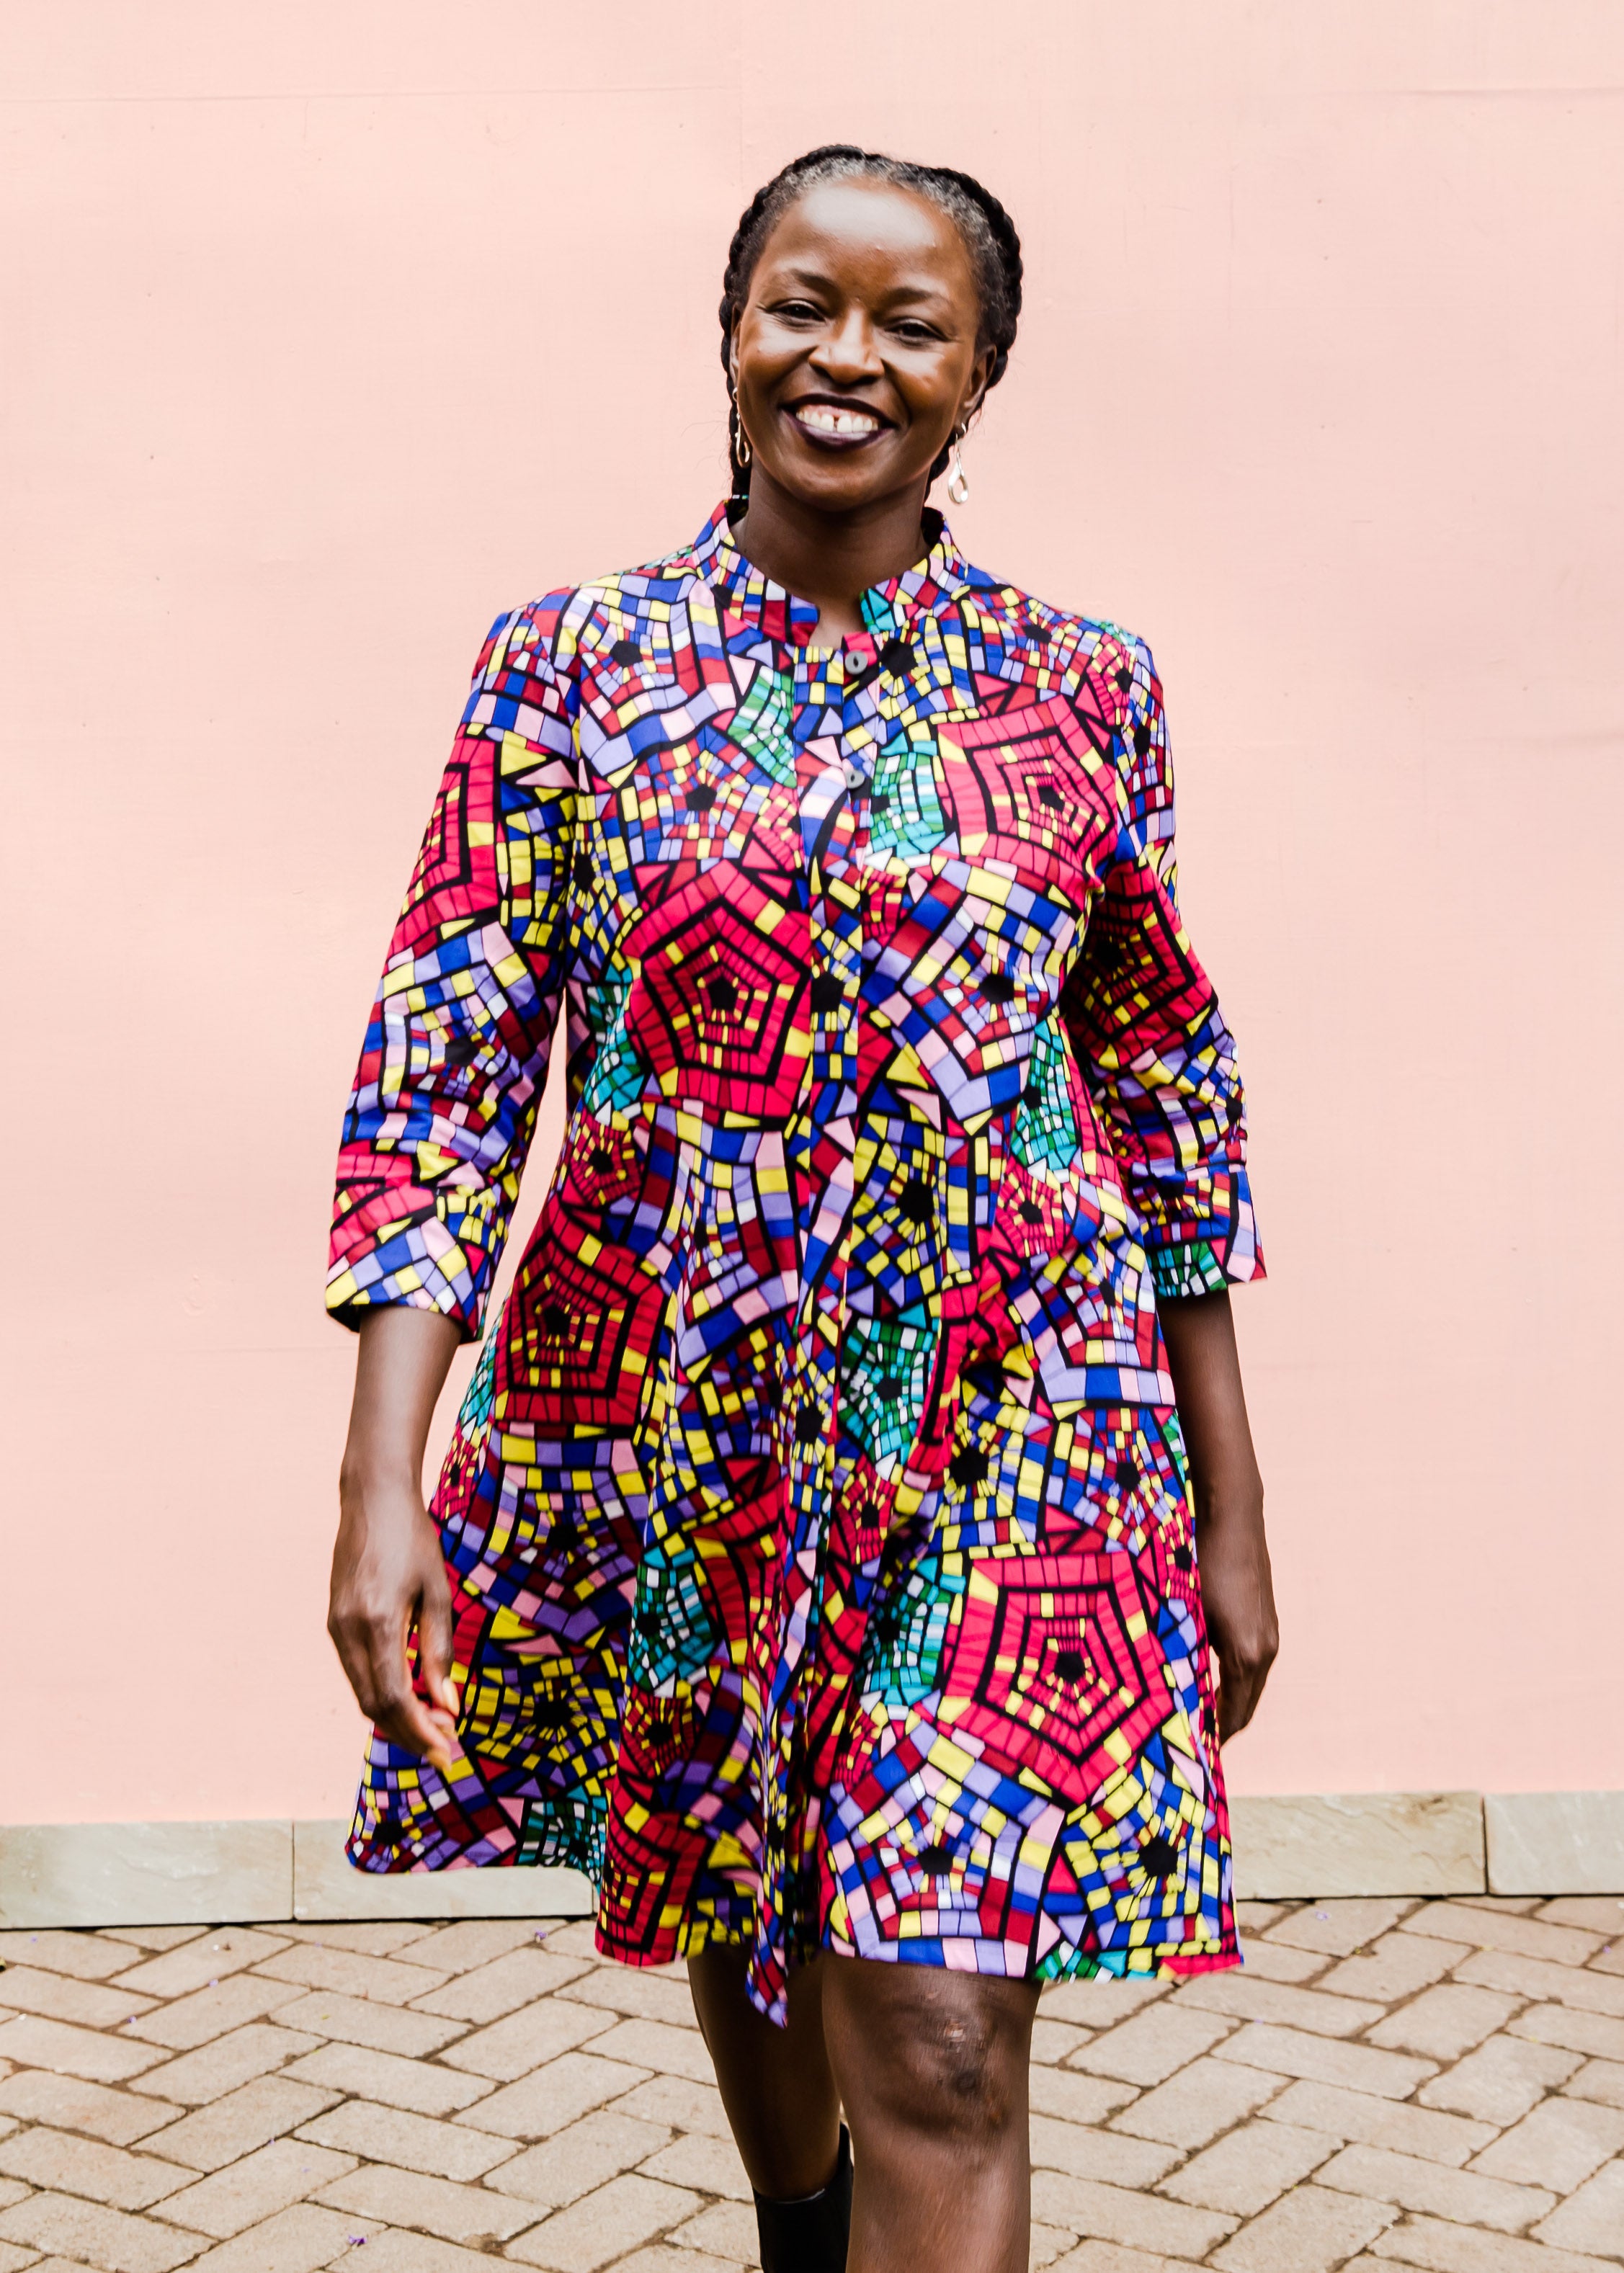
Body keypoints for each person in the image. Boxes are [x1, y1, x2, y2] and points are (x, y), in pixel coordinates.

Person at [324, 144, 1278, 2273]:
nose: (847, 357)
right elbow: (446, 1064)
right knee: (738, 1895)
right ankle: (803, 2226)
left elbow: (1162, 1089)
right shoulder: (571, 668)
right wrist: (382, 1479)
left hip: (1019, 1419)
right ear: (734, 328)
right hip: (685, 1413)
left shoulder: (1086, 685)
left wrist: (1233, 1500)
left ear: (979, 376)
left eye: (909, 324)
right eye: (802, 304)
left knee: (939, 2034)